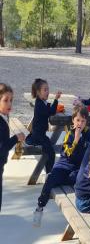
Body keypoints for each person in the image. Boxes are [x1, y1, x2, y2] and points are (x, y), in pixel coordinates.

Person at [34, 105, 90, 226]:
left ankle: (64, 180)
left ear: (86, 122)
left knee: (82, 178)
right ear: (73, 120)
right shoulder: (69, 134)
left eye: (83, 121)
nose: (80, 123)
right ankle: (40, 207)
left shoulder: (88, 134)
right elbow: (68, 154)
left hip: (77, 167)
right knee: (51, 179)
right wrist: (76, 140)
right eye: (78, 120)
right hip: (65, 164)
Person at [26, 78, 62, 174]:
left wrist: (54, 103)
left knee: (49, 149)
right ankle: (49, 173)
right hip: (38, 136)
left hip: (39, 134)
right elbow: (51, 112)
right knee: (51, 153)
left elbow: (49, 110)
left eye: (48, 89)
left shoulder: (40, 102)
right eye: (45, 90)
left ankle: (48, 171)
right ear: (38, 92)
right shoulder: (40, 105)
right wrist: (56, 99)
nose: (47, 92)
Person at [0, 83, 25, 212]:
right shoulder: (1, 123)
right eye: (5, 100)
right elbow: (2, 147)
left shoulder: (4, 117)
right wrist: (16, 138)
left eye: (11, 100)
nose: (9, 103)